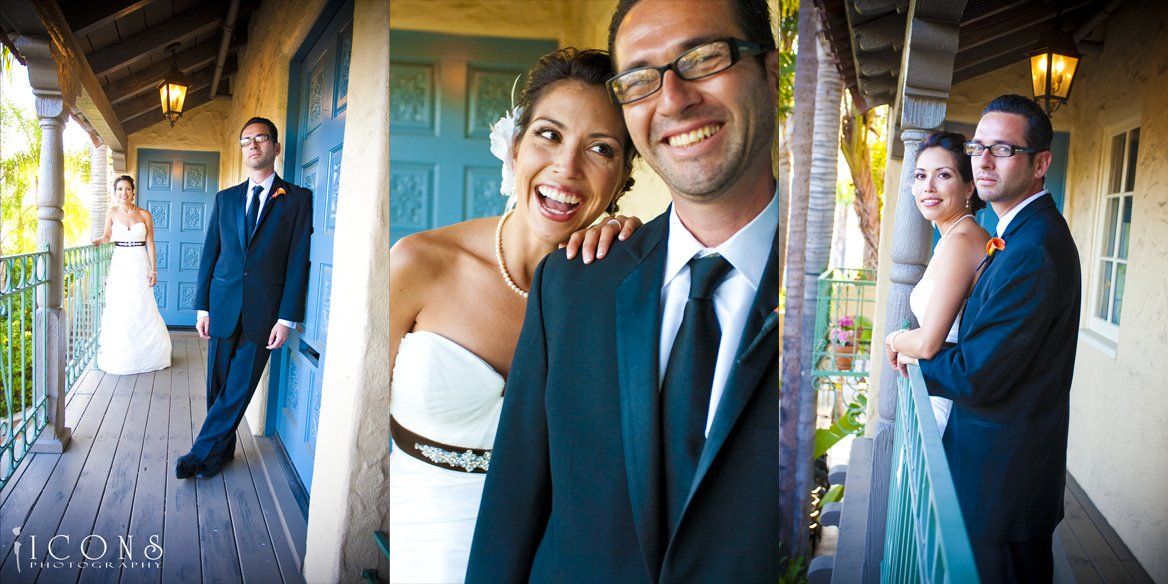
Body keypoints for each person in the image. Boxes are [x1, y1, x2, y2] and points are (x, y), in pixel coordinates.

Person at [466, 0, 782, 581]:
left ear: (771, 71)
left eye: (704, 57)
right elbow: (511, 511)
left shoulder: (827, 296)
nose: (673, 98)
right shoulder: (571, 285)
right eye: (640, 79)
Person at [388, 48, 642, 584]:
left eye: (600, 149)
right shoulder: (419, 263)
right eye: (549, 135)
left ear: (621, 179)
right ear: (514, 146)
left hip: (556, 557)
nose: (567, 169)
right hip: (429, 544)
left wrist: (632, 264)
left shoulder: (621, 286)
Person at [894, 95, 1081, 583]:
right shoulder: (1016, 236)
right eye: (979, 147)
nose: (984, 159)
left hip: (1002, 481)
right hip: (994, 471)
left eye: (1003, 149)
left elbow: (977, 373)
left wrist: (912, 356)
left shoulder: (1033, 250)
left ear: (1041, 164)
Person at [175, 117, 313, 481]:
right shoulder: (226, 199)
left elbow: (299, 259)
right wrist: (201, 306)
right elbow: (210, 254)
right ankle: (219, 454)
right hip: (221, 306)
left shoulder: (297, 199)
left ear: (275, 148)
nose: (253, 145)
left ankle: (197, 454)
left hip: (265, 314)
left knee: (237, 389)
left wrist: (287, 318)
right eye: (246, 140)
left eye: (261, 139)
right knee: (218, 387)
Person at [884, 132, 990, 434]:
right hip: (938, 391)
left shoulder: (961, 242)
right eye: (920, 176)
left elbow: (929, 344)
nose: (927, 187)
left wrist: (893, 340)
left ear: (969, 187)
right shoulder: (953, 238)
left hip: (944, 406)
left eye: (943, 175)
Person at [93, 175, 172, 375]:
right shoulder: (111, 212)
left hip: (139, 261)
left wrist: (154, 269)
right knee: (120, 306)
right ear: (115, 192)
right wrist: (100, 241)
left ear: (133, 192)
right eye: (119, 189)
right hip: (120, 263)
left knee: (142, 305)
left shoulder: (145, 215)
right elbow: (107, 235)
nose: (123, 193)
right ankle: (123, 355)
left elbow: (151, 243)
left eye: (127, 189)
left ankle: (148, 354)